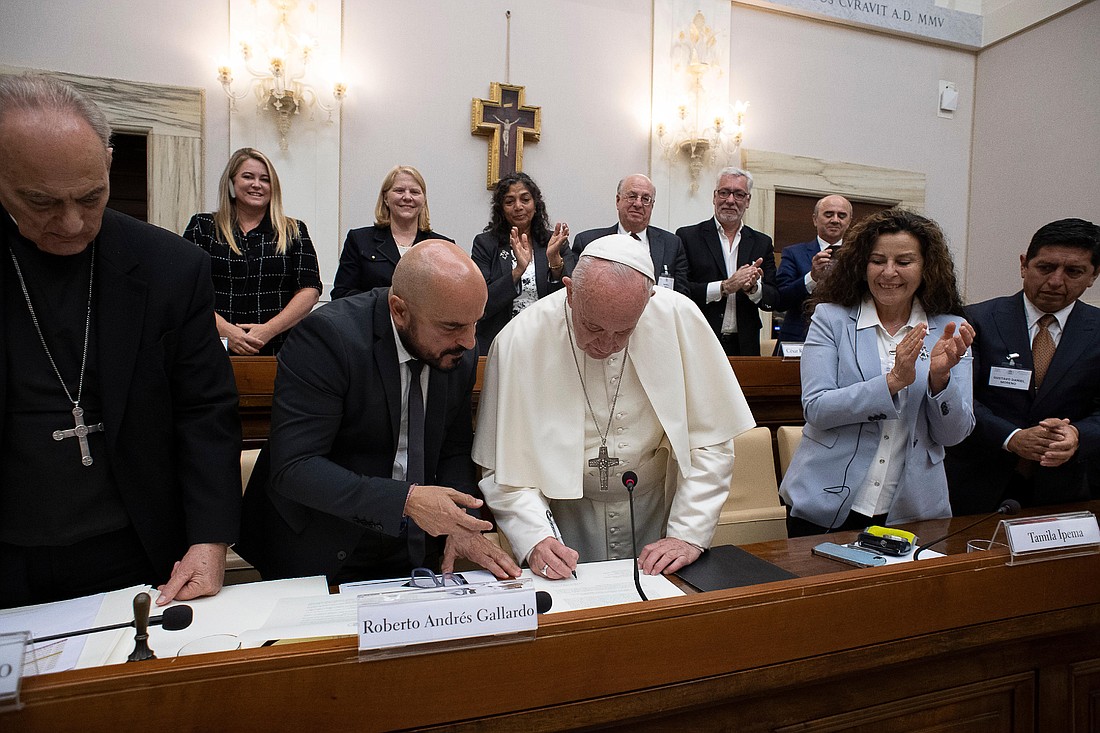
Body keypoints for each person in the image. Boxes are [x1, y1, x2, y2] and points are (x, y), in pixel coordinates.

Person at [0, 74, 241, 608]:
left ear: (108, 162)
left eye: (90, 197)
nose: (70, 223)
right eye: (39, 202)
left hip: (136, 546)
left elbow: (205, 410)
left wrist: (210, 537)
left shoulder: (171, 269)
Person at [237, 240, 521, 583]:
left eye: (476, 322)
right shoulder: (328, 338)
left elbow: (453, 448)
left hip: (417, 545)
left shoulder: (459, 350)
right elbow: (295, 467)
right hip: (322, 542)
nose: (470, 341)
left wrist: (460, 522)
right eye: (452, 327)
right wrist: (407, 500)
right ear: (399, 310)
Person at [473, 234, 756, 578]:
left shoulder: (679, 318)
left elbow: (711, 443)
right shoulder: (520, 339)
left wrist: (687, 534)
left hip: (657, 513)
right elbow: (505, 467)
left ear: (648, 300)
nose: (606, 345)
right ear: (570, 291)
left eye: (624, 331)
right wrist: (535, 537)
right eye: (593, 326)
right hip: (565, 517)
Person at [779, 209, 975, 536]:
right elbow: (817, 409)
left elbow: (954, 435)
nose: (888, 272)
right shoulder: (831, 319)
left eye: (904, 262)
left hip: (913, 509)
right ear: (861, 264)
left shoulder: (950, 329)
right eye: (877, 260)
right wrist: (892, 382)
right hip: (825, 500)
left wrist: (940, 381)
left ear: (927, 267)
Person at [946, 218, 1100, 515]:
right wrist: (1012, 437)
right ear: (1023, 265)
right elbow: (958, 398)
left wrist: (1077, 435)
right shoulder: (976, 320)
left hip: (1066, 490)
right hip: (975, 484)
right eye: (1045, 268)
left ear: (1093, 275)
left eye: (1073, 272)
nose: (1056, 281)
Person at [183, 147, 321, 355]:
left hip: (278, 347)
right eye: (248, 177)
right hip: (213, 344)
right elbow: (186, 288)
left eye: (265, 179)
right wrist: (226, 331)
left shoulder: (294, 230)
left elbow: (309, 290)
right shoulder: (202, 226)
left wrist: (268, 330)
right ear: (231, 183)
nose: (257, 185)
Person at [471, 172, 576, 354]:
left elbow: (571, 297)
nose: (518, 207)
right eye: (510, 201)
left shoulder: (554, 241)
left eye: (525, 199)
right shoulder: (485, 244)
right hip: (500, 342)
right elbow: (480, 303)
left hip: (548, 343)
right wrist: (517, 271)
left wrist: (554, 262)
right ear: (501, 209)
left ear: (536, 205)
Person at [678, 167, 779, 355]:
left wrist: (753, 289)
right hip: (700, 339)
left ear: (748, 201)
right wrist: (724, 287)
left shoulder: (762, 243)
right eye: (724, 193)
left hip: (745, 345)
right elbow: (681, 291)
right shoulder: (688, 236)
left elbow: (774, 299)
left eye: (739, 194)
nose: (730, 200)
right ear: (714, 197)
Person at [331, 165, 452, 299]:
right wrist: (386, 301)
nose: (407, 197)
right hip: (373, 319)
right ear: (385, 198)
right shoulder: (359, 240)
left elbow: (450, 297)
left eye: (415, 192)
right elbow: (341, 294)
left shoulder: (443, 246)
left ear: (423, 200)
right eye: (399, 191)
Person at [571, 173, 689, 296]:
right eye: (632, 196)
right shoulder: (588, 242)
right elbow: (577, 293)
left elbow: (681, 296)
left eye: (645, 199)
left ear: (652, 206)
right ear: (618, 201)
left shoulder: (672, 244)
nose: (638, 204)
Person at [775, 195, 854, 346]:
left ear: (849, 222)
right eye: (828, 214)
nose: (835, 220)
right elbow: (781, 300)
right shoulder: (793, 253)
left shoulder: (858, 256)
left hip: (845, 338)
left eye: (842, 216)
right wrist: (812, 277)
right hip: (800, 338)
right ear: (815, 219)